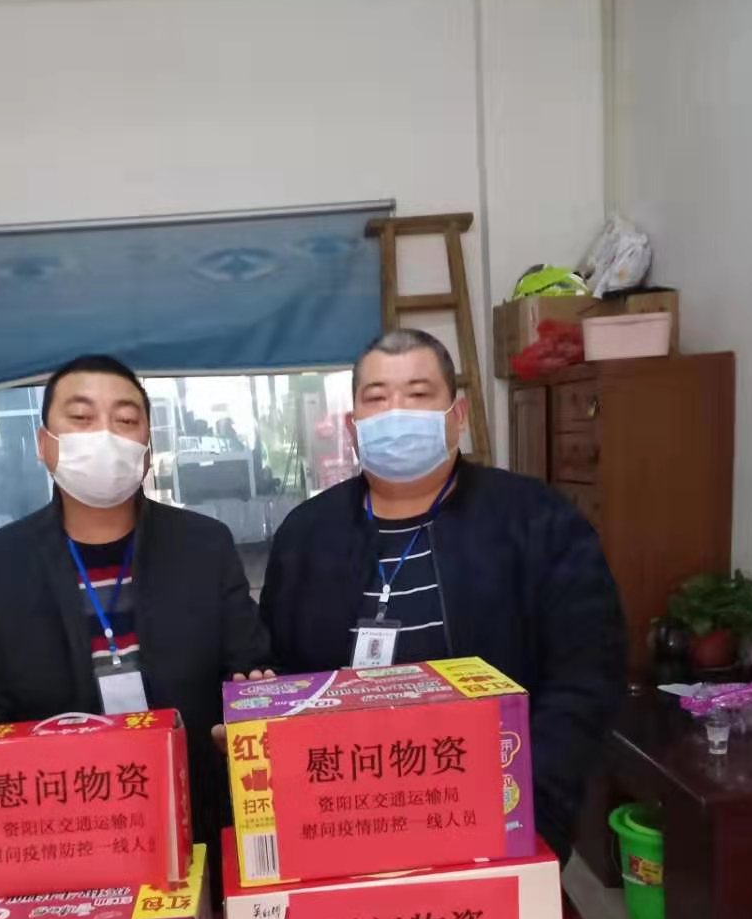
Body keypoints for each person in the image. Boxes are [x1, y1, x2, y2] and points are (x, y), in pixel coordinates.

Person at [259, 327, 626, 862]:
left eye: (418, 393)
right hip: (341, 820)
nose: (396, 412)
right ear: (353, 425)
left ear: (458, 415)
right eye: (377, 398)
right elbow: (278, 670)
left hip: (499, 818)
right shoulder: (306, 534)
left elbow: (587, 674)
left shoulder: (537, 520)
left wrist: (531, 805)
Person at [0, 354, 271, 879]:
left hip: (198, 822)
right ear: (44, 444)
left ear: (147, 450)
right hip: (63, 835)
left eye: (126, 419)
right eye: (81, 417)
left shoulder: (204, 546)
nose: (105, 435)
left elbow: (250, 666)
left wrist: (254, 713)